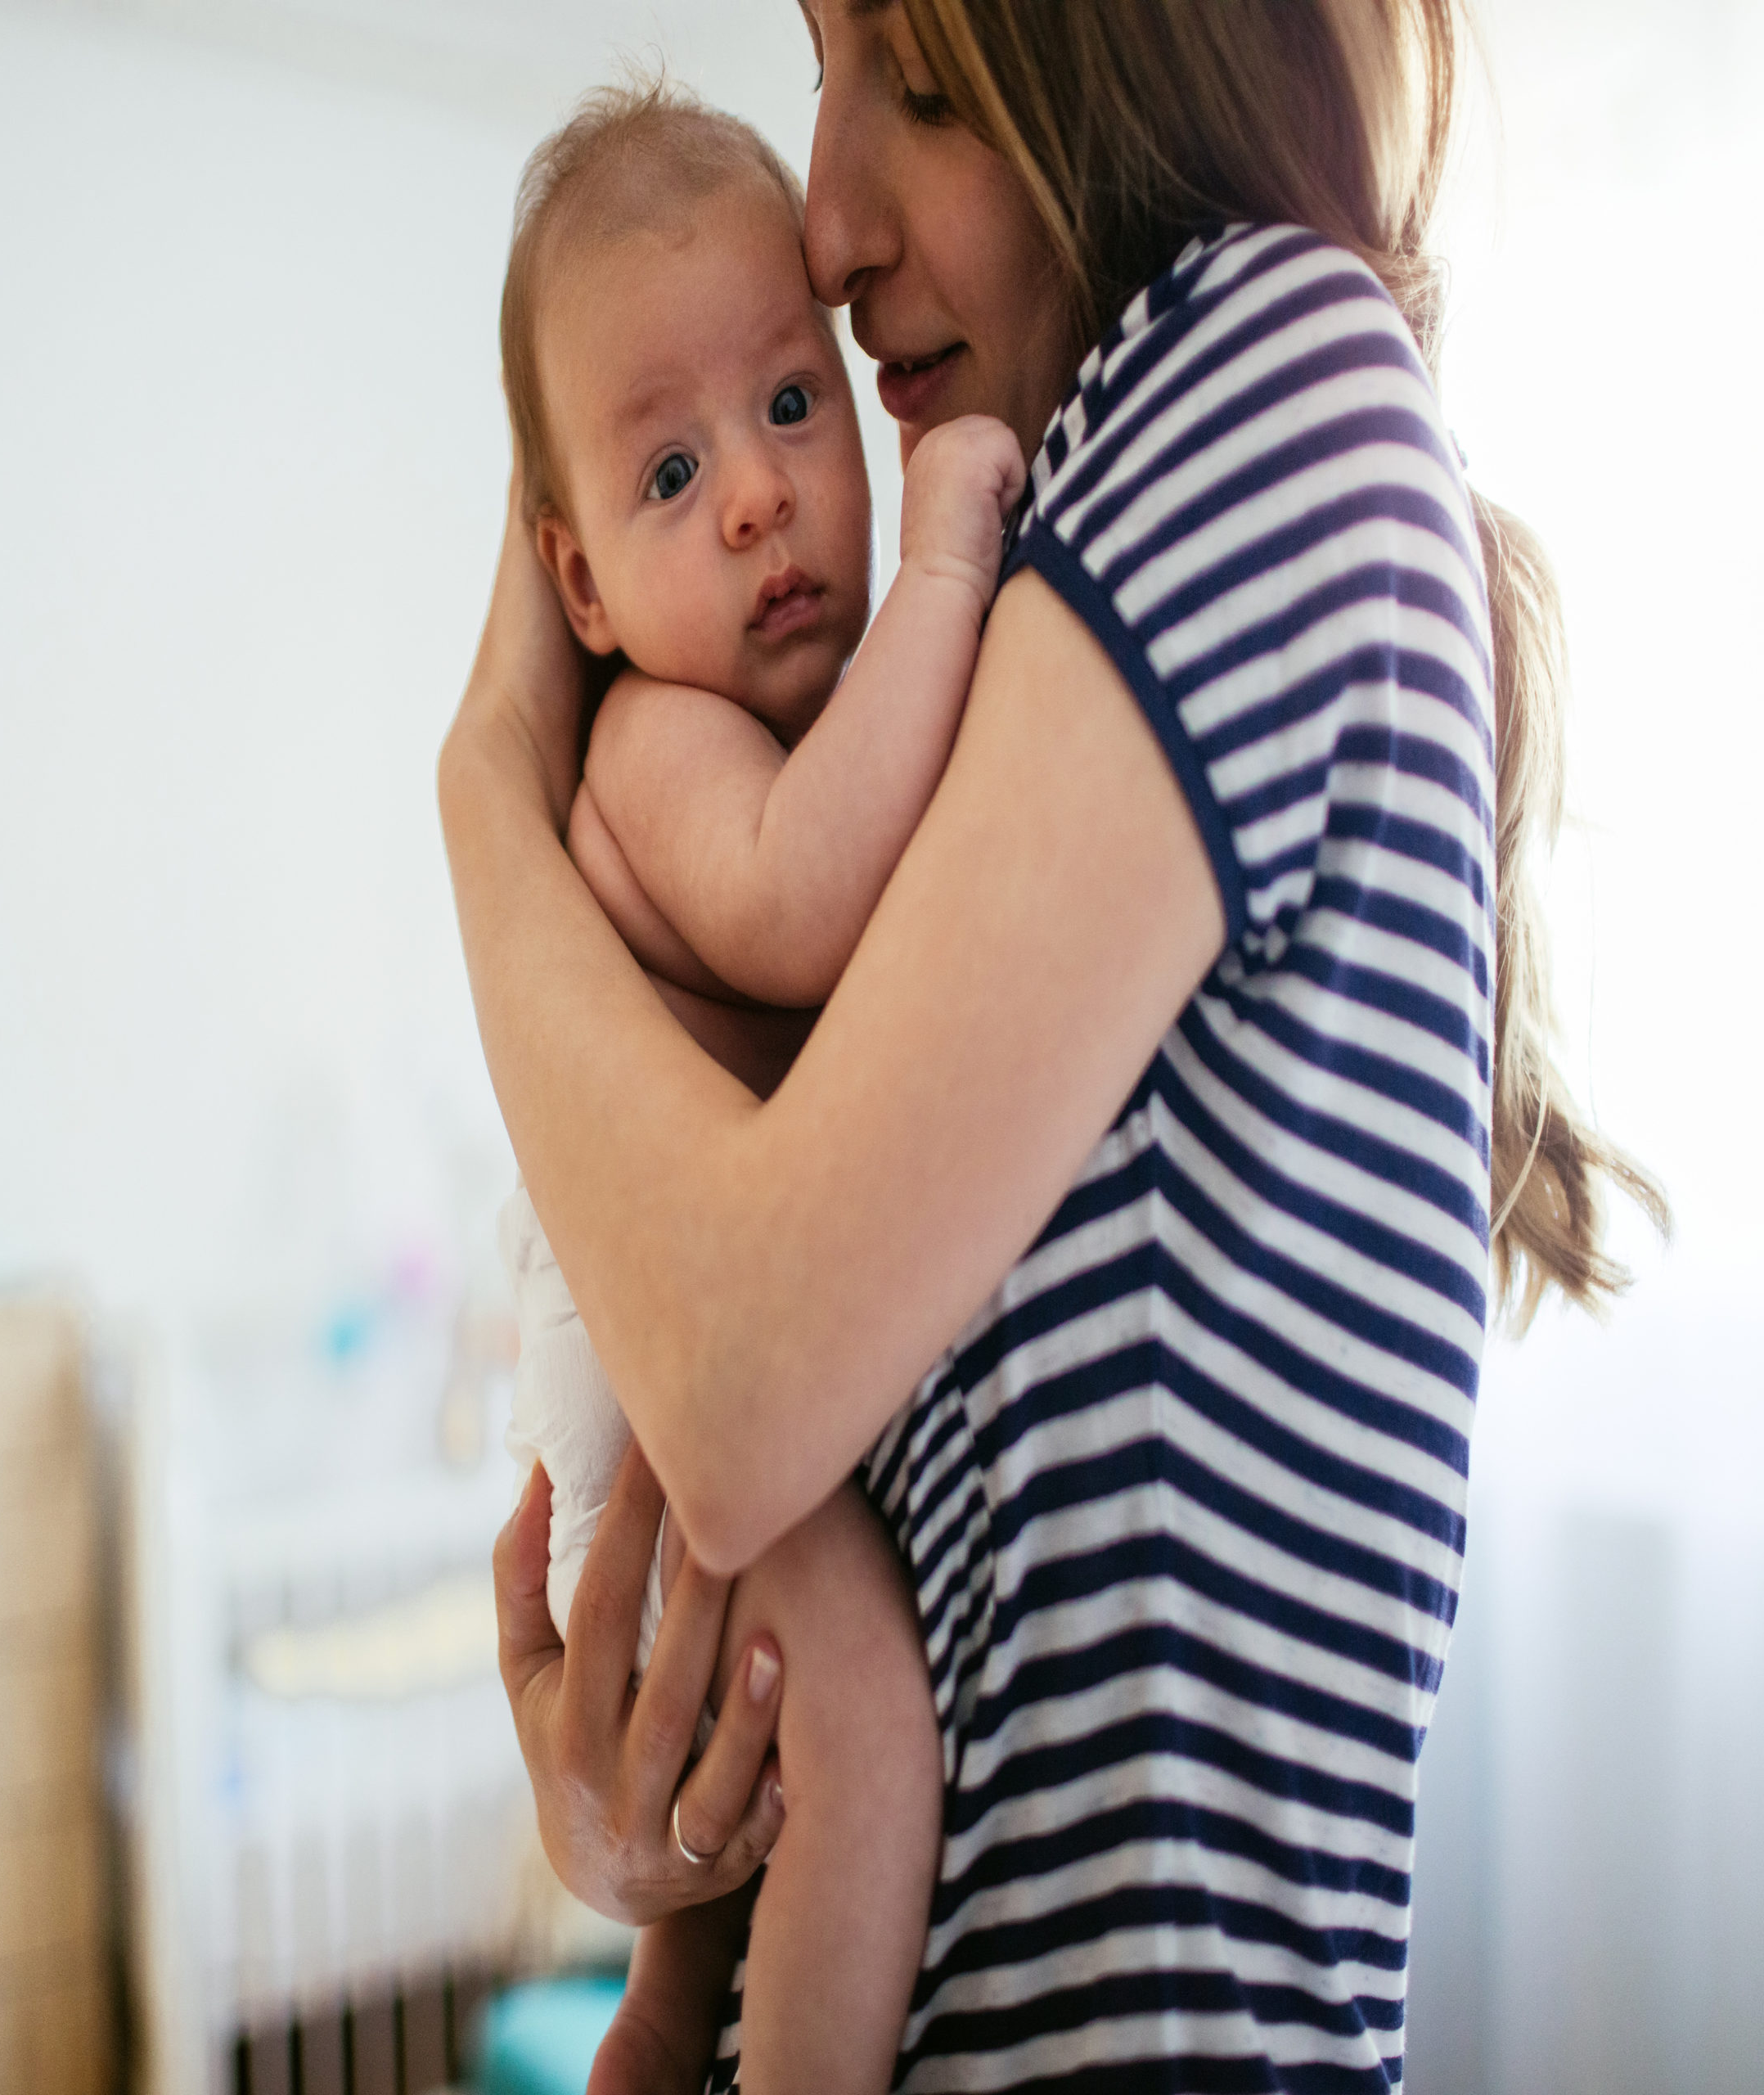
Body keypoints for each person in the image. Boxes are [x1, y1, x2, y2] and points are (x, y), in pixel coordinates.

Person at [442, 2, 1666, 2089]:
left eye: (915, 79)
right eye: (819, 66)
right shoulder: (1039, 542)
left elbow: (737, 1381)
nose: (821, 224)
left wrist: (483, 777)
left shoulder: (1254, 382)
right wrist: (656, 1817)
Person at [490, 81, 1026, 2095]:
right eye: (667, 471)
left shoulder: (745, 708)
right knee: (863, 1720)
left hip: (686, 1383)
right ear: (580, 594)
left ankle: (656, 2034)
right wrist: (951, 563)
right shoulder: (655, 744)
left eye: (790, 408)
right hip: (648, 1420)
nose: (751, 497)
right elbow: (807, 903)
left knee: (695, 1919)